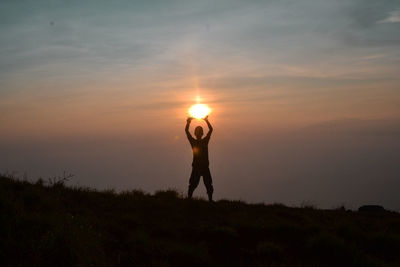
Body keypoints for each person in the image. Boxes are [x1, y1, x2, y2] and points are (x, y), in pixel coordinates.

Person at [185, 116, 214, 202]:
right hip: (203, 167)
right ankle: (210, 200)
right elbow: (211, 130)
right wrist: (206, 121)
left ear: (195, 133)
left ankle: (189, 199)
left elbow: (186, 131)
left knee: (193, 184)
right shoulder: (205, 141)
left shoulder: (194, 142)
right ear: (202, 133)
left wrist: (188, 122)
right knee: (207, 184)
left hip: (198, 167)